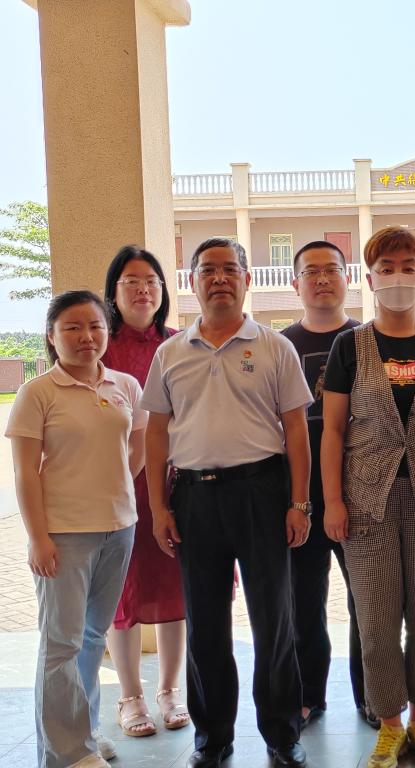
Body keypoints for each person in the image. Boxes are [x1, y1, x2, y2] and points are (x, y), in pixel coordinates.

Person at [142, 237, 313, 768]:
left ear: (246, 278)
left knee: (274, 621)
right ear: (192, 281)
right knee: (206, 624)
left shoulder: (273, 347)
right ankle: (212, 737)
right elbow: (155, 433)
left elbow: (296, 430)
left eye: (229, 269)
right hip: (194, 498)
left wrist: (299, 503)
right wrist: (159, 508)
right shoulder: (170, 352)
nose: (218, 278)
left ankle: (282, 735)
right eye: (207, 270)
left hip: (262, 493)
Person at [320, 225, 415, 768]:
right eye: (387, 268)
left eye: (409, 266)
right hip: (366, 499)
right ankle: (388, 724)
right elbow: (332, 430)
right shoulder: (349, 345)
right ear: (370, 279)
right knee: (377, 621)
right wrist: (332, 501)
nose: (398, 276)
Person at [7, 290, 146, 768]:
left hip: (119, 529)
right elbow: (25, 472)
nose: (86, 336)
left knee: (91, 638)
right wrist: (38, 537)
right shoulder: (38, 392)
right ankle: (67, 753)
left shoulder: (125, 385)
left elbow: (138, 445)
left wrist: (115, 486)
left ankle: (83, 733)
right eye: (72, 327)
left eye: (95, 326)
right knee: (60, 644)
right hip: (64, 534)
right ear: (51, 335)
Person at [280, 240, 376, 729]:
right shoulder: (280, 345)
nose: (322, 279)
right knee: (302, 603)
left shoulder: (369, 340)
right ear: (295, 282)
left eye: (332, 270)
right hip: (300, 493)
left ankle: (373, 695)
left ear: (347, 278)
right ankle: (307, 696)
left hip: (359, 490)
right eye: (311, 271)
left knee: (369, 601)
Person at [99, 245, 189, 740]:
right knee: (123, 590)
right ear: (112, 291)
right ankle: (130, 695)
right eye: (131, 281)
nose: (143, 290)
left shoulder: (180, 344)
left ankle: (170, 690)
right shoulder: (101, 349)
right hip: (118, 487)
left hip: (177, 486)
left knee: (175, 586)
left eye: (151, 281)